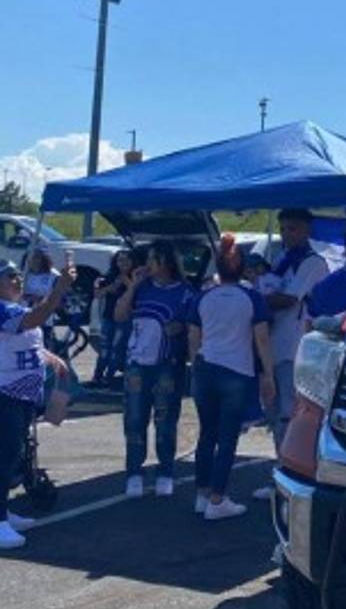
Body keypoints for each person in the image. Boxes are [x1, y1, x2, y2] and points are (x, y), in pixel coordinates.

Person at [188, 235, 275, 520]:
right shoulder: (252, 297)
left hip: (205, 366)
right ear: (242, 270)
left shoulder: (204, 296)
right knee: (227, 438)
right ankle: (218, 498)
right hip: (237, 370)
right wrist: (268, 375)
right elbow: (261, 339)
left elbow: (193, 337)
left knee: (206, 434)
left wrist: (196, 364)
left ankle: (201, 494)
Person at [114, 241, 196, 498]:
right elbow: (119, 315)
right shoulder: (142, 288)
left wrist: (180, 329)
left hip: (167, 364)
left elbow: (193, 326)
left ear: (167, 262)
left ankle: (165, 472)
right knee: (135, 419)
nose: (147, 265)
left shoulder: (185, 292)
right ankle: (134, 473)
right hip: (137, 363)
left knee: (165, 420)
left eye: (153, 259)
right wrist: (133, 286)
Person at [0, 260, 71, 549]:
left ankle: (3, 512)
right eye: (10, 276)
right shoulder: (2, 309)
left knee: (14, 455)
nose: (17, 280)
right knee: (4, 459)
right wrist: (60, 288)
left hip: (25, 395)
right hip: (6, 394)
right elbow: (34, 319)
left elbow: (26, 340)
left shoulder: (15, 309)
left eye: (18, 275)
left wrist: (48, 357)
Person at [264, 209, 329, 449]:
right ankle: (280, 462)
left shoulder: (313, 262)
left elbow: (290, 299)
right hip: (273, 344)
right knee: (273, 409)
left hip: (295, 346)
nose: (285, 234)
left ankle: (288, 466)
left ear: (306, 230)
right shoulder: (282, 260)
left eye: (292, 229)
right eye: (282, 229)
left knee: (288, 411)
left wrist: (256, 300)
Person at [90, 249, 134, 388]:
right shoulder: (109, 276)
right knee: (104, 349)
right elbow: (98, 294)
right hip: (108, 317)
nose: (123, 263)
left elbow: (136, 293)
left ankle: (109, 377)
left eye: (127, 260)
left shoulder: (136, 277)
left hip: (125, 318)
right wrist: (112, 286)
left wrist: (127, 282)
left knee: (117, 348)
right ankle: (97, 376)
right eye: (120, 260)